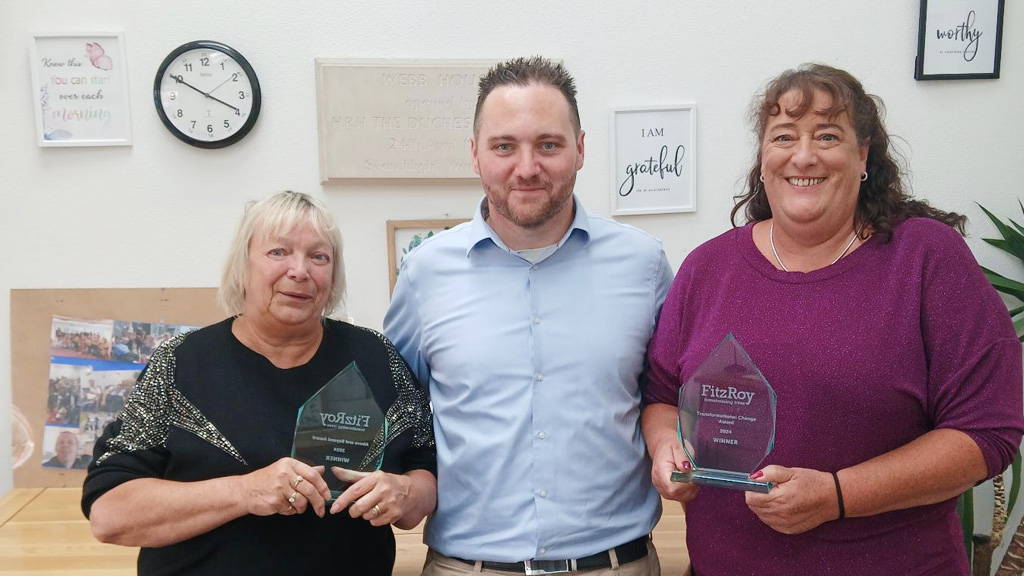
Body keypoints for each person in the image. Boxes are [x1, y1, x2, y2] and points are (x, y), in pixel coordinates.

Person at [641, 63, 1024, 576]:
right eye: (784, 136)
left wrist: (838, 495)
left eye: (827, 135)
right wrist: (668, 448)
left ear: (862, 154)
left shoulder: (926, 259)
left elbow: (987, 432)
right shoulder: (707, 269)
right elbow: (662, 395)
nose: (803, 155)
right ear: (763, 158)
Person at [385, 56, 670, 576]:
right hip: (466, 565)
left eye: (548, 144)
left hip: (615, 563)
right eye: (503, 146)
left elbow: (668, 399)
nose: (527, 167)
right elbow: (400, 414)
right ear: (475, 154)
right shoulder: (425, 273)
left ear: (580, 148)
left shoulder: (644, 264)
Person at [82, 191, 437, 576]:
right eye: (278, 252)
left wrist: (405, 493)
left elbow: (426, 471)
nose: (299, 270)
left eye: (319, 257)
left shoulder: (376, 357)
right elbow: (110, 514)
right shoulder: (181, 363)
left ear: (332, 277)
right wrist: (244, 492)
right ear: (243, 267)